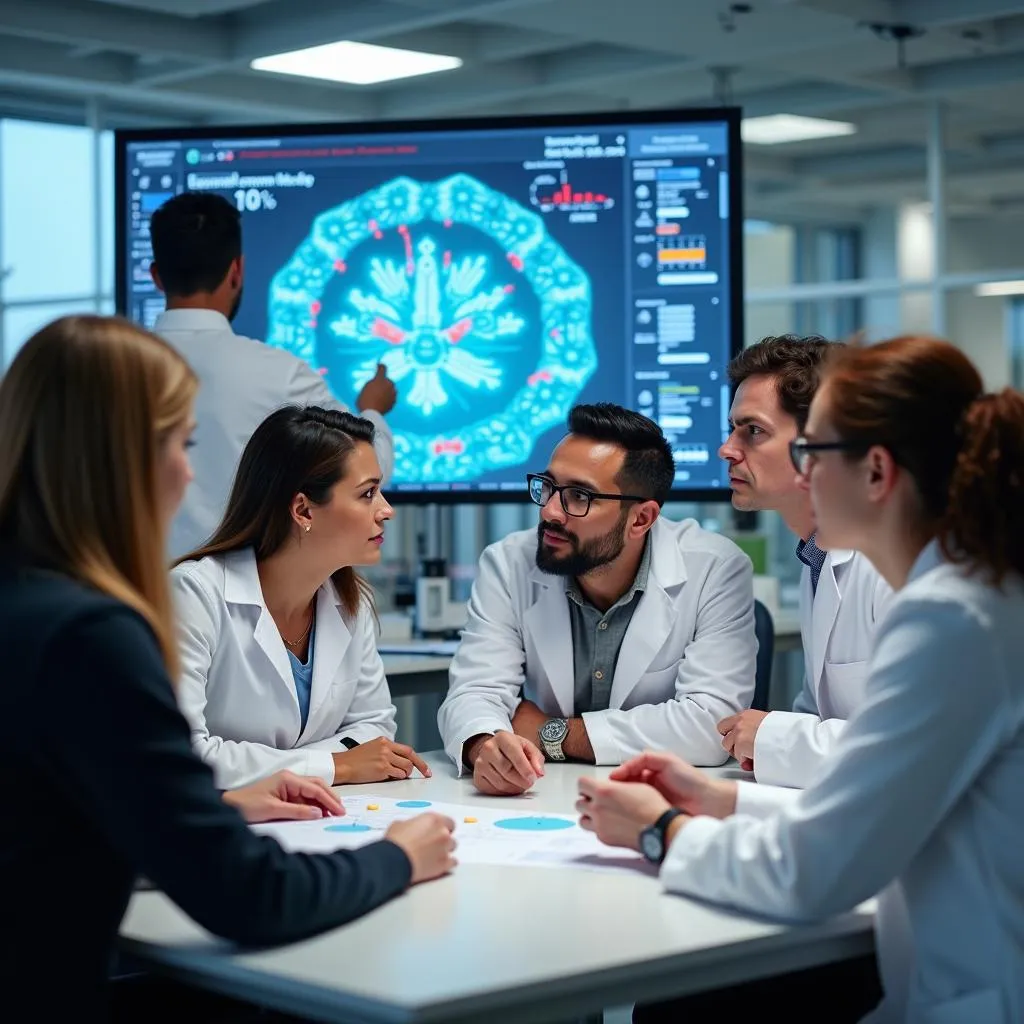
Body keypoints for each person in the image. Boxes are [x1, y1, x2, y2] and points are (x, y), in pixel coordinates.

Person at [0, 315, 457, 1021]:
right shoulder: (91, 635)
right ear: (118, 459)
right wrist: (398, 858)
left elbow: (56, 816)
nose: (189, 472)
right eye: (180, 444)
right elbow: (247, 896)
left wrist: (211, 803)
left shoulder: (29, 603)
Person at [577, 336, 1024, 1023]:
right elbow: (874, 800)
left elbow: (817, 871)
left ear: (876, 472)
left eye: (813, 452)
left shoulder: (950, 617)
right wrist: (722, 800)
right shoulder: (963, 591)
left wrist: (661, 832)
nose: (804, 474)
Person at [438, 402, 757, 796]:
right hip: (543, 792)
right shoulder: (508, 562)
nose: (551, 511)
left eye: (579, 496)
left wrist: (550, 732)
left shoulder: (715, 568)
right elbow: (474, 693)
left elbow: (710, 727)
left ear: (641, 519)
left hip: (658, 796)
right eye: (549, 486)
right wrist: (485, 746)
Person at [173, 404, 429, 790]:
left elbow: (375, 726)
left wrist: (311, 765)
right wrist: (336, 766)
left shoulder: (347, 600)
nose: (386, 511)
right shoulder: (193, 595)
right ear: (303, 509)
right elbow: (183, 755)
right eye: (368, 494)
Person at [148, 191, 398, 559]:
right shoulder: (279, 374)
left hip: (125, 601)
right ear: (237, 271)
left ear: (156, 275)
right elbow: (366, 470)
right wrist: (372, 410)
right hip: (238, 607)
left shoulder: (99, 374)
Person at [716, 335, 890, 787]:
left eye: (752, 431)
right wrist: (771, 743)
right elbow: (820, 714)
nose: (727, 449)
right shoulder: (818, 556)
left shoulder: (893, 565)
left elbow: (924, 751)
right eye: (732, 429)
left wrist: (773, 736)